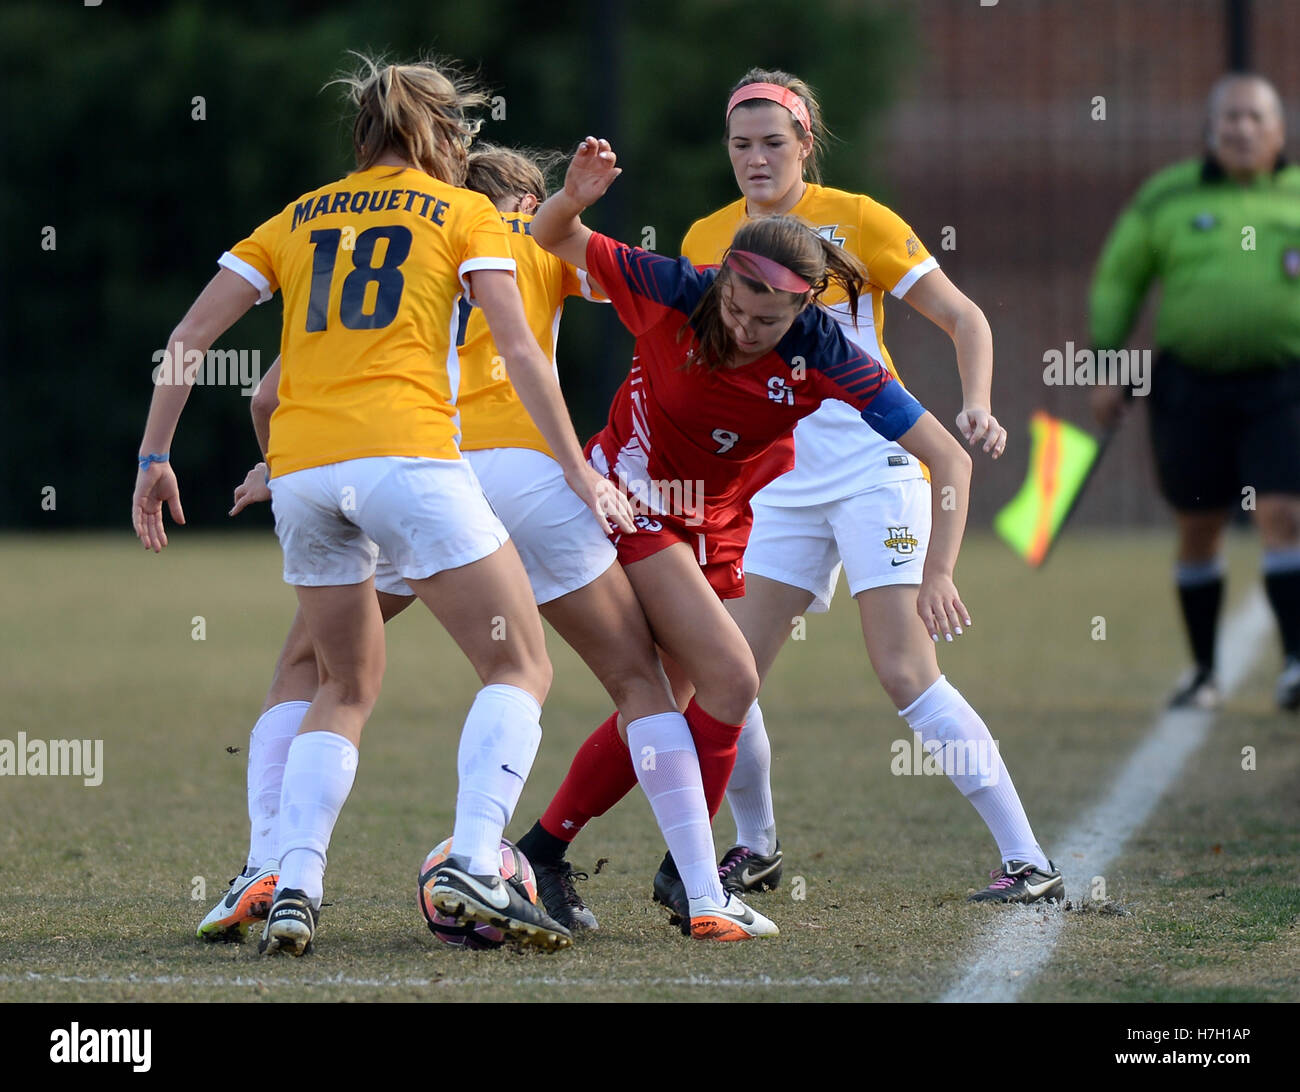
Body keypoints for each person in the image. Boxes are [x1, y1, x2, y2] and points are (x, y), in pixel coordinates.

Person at [200, 144, 780, 945]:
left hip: (419, 473)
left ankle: (272, 864)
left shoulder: (418, 249)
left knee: (314, 670)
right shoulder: (528, 242)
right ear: (526, 200)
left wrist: (277, 462)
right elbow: (662, 295)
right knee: (637, 680)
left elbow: (270, 392)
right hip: (522, 475)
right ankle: (704, 893)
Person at [133, 57, 637, 956]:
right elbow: (521, 354)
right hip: (409, 461)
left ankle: (292, 881)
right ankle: (477, 861)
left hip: (307, 475)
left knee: (340, 683)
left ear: (362, 134)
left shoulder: (297, 216)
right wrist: (580, 469)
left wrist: (155, 456)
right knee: (519, 665)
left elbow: (188, 339)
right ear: (443, 137)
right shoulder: (462, 210)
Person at [516, 133, 981, 929]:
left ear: (806, 306)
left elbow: (947, 457)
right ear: (722, 280)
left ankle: (542, 853)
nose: (742, 328)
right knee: (733, 678)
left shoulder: (825, 349)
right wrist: (573, 199)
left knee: (678, 703)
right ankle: (697, 879)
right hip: (637, 500)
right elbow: (551, 238)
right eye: (734, 307)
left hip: (722, 522)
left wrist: (938, 570)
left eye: (766, 320)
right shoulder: (675, 285)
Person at [683, 69, 1061, 906]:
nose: (755, 158)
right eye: (740, 144)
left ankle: (1028, 857)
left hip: (875, 470)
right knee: (729, 669)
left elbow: (967, 317)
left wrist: (975, 406)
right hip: (777, 482)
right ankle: (757, 847)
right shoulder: (707, 236)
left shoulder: (858, 221)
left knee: (902, 668)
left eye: (772, 143)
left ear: (805, 143)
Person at [1091, 73, 1300, 712]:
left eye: (1254, 118)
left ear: (1278, 131)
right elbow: (1119, 279)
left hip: (1282, 385)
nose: (1241, 129)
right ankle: (1203, 671)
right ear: (1210, 129)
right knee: (1199, 525)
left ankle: (1295, 664)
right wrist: (1104, 359)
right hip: (1190, 387)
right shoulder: (1167, 197)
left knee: (1283, 514)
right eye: (1229, 117)